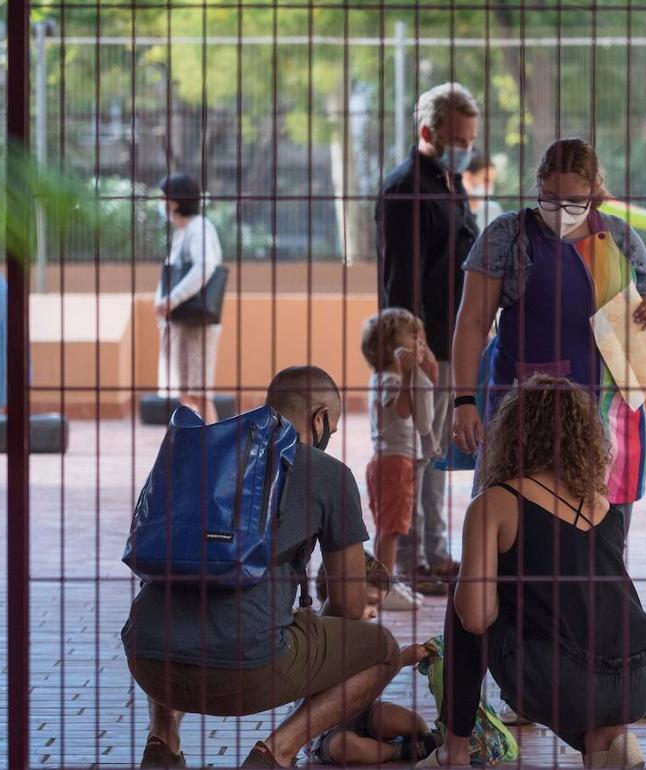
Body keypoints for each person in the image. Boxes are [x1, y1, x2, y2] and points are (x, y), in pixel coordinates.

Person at [123, 365, 424, 769]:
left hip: (147, 655)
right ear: (319, 420)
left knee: (181, 586)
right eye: (330, 431)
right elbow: (352, 605)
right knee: (383, 649)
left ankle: (163, 739)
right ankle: (276, 754)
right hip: (244, 670)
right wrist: (308, 633)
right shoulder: (329, 474)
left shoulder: (204, 454)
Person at [421, 376, 646, 769]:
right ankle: (607, 741)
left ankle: (455, 751)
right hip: (639, 678)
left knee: (468, 601)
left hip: (569, 681)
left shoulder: (496, 502)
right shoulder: (602, 503)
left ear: (513, 433)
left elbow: (476, 617)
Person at [451, 137, 646, 533]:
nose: (561, 211)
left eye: (574, 201)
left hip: (609, 413)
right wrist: (464, 399)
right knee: (516, 523)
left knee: (603, 535)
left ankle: (600, 596)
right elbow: (471, 322)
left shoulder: (620, 237)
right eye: (550, 198)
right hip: (526, 411)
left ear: (594, 192)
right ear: (538, 186)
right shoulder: (507, 237)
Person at [376, 82, 480, 592]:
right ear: (427, 132)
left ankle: (437, 553)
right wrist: (409, 352)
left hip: (451, 341)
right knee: (413, 454)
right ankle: (411, 559)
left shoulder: (448, 181)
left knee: (435, 453)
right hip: (421, 347)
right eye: (457, 137)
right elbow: (402, 279)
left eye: (470, 138)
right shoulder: (405, 189)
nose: (466, 146)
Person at [303, 554, 438, 765]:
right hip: (325, 729)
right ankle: (398, 750)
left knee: (406, 720)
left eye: (378, 606)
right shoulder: (319, 631)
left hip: (363, 712)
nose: (374, 613)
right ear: (339, 594)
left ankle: (430, 739)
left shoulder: (366, 635)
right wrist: (399, 659)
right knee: (347, 748)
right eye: (371, 603)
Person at [360, 308, 442, 611]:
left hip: (396, 461)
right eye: (413, 337)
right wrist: (409, 375)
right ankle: (383, 588)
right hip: (392, 463)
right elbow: (403, 410)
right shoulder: (389, 380)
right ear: (390, 346)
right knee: (391, 530)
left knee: (391, 527)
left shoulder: (389, 378)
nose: (420, 343)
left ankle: (387, 581)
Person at [155, 173, 222, 424]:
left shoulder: (199, 228)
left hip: (196, 323)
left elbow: (205, 266)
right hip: (181, 323)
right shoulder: (182, 232)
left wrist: (172, 299)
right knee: (186, 393)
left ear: (174, 201)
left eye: (163, 198)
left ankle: (214, 446)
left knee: (200, 392)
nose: (160, 203)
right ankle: (198, 443)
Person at [462, 152, 503, 231]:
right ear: (467, 177)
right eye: (486, 180)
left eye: (492, 181)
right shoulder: (454, 210)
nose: (489, 186)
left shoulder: (494, 210)